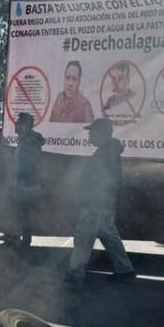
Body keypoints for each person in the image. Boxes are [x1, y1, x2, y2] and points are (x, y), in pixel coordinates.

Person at [66, 118, 135, 285]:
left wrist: (90, 200)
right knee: (109, 237)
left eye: (91, 131)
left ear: (101, 132)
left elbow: (101, 182)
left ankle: (75, 275)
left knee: (83, 239)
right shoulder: (108, 151)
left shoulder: (105, 153)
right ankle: (125, 270)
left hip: (95, 205)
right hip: (103, 205)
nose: (89, 135)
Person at [14, 112, 45, 248]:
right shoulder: (26, 140)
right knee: (23, 212)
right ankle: (23, 238)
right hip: (25, 182)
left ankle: (26, 240)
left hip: (27, 183)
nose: (16, 124)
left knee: (24, 212)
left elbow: (29, 164)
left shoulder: (30, 141)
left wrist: (21, 180)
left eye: (18, 122)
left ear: (25, 125)